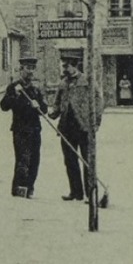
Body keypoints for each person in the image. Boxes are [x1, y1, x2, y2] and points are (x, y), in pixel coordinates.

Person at [1, 57, 48, 197]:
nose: (30, 71)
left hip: (35, 129)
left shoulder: (36, 89)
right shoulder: (14, 87)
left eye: (33, 68)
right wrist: (14, 95)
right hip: (20, 129)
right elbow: (4, 106)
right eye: (28, 68)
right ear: (21, 69)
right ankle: (19, 189)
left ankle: (30, 188)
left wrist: (38, 106)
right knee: (23, 159)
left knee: (34, 160)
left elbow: (44, 109)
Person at [50, 60, 95, 201]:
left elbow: (98, 101)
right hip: (66, 127)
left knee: (87, 161)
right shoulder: (63, 83)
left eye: (66, 66)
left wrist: (95, 123)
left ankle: (90, 194)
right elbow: (57, 102)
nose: (64, 69)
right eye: (63, 66)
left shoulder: (87, 81)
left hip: (83, 127)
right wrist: (53, 113)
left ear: (74, 66)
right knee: (70, 161)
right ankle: (76, 192)